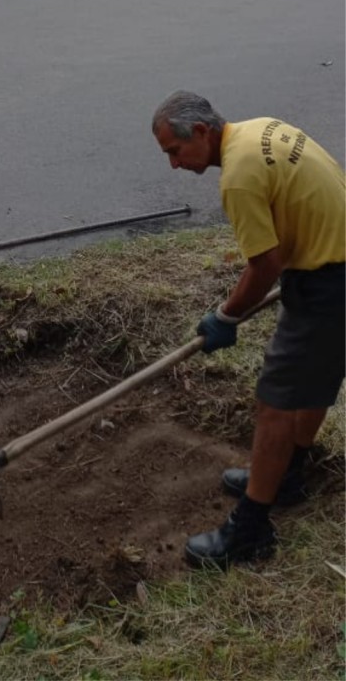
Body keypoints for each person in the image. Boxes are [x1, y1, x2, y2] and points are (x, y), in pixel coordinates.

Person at [150, 90, 345, 567]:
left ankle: (250, 531)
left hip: (330, 280)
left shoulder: (237, 178)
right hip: (334, 263)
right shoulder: (261, 127)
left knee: (275, 399)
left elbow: (264, 266)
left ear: (200, 132)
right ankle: (288, 477)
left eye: (174, 152)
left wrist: (225, 316)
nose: (174, 166)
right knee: (312, 380)